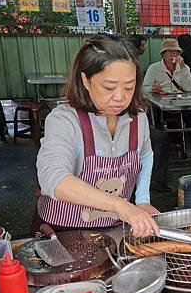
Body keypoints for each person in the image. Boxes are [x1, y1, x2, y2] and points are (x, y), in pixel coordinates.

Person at [35, 34, 160, 238]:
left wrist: (142, 200)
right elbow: (54, 179)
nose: (120, 97)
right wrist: (120, 205)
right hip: (63, 231)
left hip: (113, 228)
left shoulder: (138, 119)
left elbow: (145, 155)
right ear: (85, 80)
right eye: (109, 87)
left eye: (129, 86)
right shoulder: (64, 120)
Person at [124, 35, 171, 193]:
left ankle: (156, 181)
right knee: (157, 138)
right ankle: (153, 181)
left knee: (158, 138)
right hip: (122, 123)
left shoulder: (132, 66)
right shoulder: (134, 65)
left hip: (131, 118)